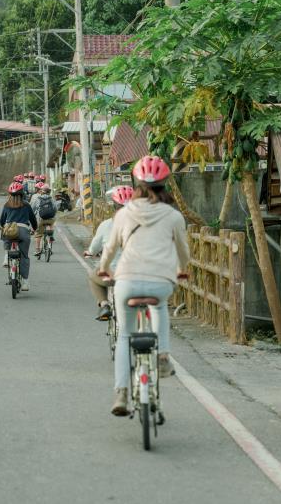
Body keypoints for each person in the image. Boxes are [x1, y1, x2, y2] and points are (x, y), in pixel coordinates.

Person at [98, 156, 190, 416]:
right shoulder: (173, 216)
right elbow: (183, 251)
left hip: (126, 281)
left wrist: (103, 267)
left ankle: (122, 394)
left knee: (125, 336)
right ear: (164, 183)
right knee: (160, 307)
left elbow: (110, 248)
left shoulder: (124, 214)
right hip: (161, 281)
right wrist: (183, 270)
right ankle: (162, 356)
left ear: (136, 182)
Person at [84, 186, 133, 321]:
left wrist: (90, 252)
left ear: (114, 207)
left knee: (93, 277)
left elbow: (94, 248)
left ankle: (104, 305)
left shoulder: (106, 225)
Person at [0, 182, 38, 290]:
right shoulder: (26, 205)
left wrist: (4, 226)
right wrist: (34, 229)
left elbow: (2, 221)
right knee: (24, 256)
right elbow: (33, 220)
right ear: (22, 194)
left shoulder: (7, 205)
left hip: (10, 231)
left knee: (5, 233)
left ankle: (7, 256)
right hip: (23, 231)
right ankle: (25, 282)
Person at [30, 182, 58, 256]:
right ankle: (50, 236)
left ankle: (37, 250)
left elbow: (32, 209)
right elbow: (55, 208)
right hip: (51, 218)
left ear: (42, 191)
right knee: (51, 225)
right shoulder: (51, 198)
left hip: (41, 219)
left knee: (38, 234)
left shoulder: (38, 198)